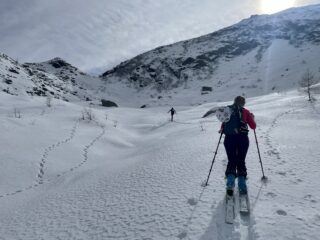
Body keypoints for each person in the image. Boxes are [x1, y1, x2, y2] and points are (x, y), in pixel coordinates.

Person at [220, 96, 256, 196]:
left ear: (234, 102)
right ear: (243, 103)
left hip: (229, 139)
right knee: (241, 161)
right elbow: (253, 126)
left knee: (232, 161)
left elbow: (223, 127)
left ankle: (230, 184)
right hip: (242, 139)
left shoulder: (227, 111)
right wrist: (251, 118)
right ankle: (242, 185)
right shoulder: (245, 112)